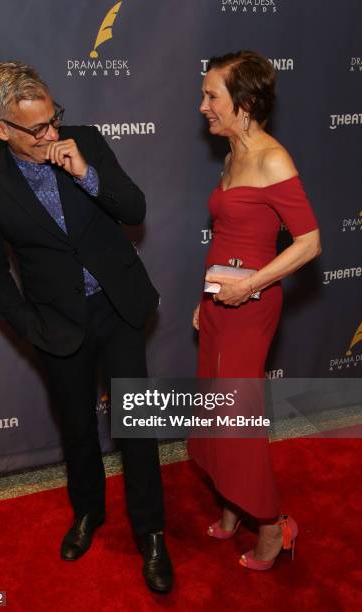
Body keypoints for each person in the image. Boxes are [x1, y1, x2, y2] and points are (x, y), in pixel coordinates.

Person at [0, 61, 173, 593]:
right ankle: (88, 514)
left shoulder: (87, 142)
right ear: (1, 130)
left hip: (118, 308)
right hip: (56, 325)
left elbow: (135, 207)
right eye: (35, 129)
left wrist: (87, 173)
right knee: (77, 428)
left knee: (138, 426)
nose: (51, 134)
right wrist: (30, 326)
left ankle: (151, 532)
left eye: (53, 118)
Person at [188, 51, 321, 571]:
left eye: (211, 96)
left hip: (253, 305)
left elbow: (308, 242)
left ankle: (272, 525)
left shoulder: (272, 158)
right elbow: (225, 238)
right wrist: (204, 300)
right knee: (213, 411)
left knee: (237, 418)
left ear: (243, 103)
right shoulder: (230, 155)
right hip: (219, 303)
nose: (202, 106)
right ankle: (231, 505)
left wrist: (253, 287)